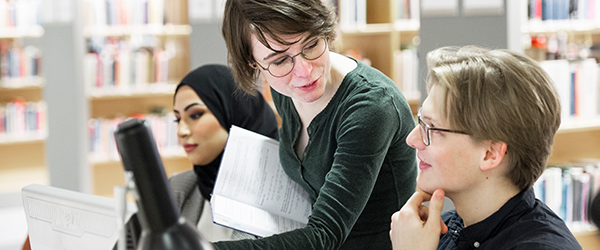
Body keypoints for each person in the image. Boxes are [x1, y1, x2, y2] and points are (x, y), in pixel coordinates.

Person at [215, 0, 418, 249]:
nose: (305, 71)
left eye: (311, 45)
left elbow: (324, 235)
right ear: (253, 63)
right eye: (280, 61)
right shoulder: (286, 89)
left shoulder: (371, 106)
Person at [389, 46, 582, 250]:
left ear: (490, 154)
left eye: (433, 128)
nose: (412, 139)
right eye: (420, 122)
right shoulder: (442, 230)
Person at [170, 64, 279, 241]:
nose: (181, 131)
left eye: (196, 115)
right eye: (177, 119)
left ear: (234, 112)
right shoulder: (178, 188)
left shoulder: (287, 196)